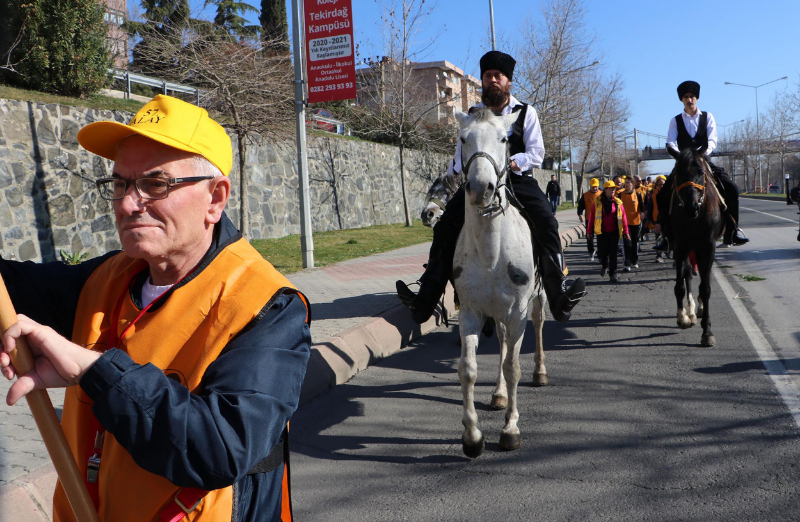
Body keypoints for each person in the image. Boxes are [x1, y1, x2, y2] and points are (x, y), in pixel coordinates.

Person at [0, 95, 311, 522]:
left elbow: (220, 450)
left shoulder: (268, 307)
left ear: (215, 199)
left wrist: (95, 371)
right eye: (120, 184)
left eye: (156, 184)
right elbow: (8, 289)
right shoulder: (105, 278)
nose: (128, 204)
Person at [395, 50, 586, 323]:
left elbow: (537, 153)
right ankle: (426, 298)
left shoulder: (526, 112)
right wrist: (443, 193)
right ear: (483, 81)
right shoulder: (471, 116)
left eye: (498, 76)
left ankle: (558, 295)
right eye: (488, 76)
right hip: (479, 181)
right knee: (446, 225)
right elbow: (459, 160)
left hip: (518, 181)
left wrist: (512, 162)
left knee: (546, 220)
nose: (493, 80)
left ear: (508, 81)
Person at [654, 80, 749, 251]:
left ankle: (733, 230)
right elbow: (670, 141)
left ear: (696, 99)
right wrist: (681, 155)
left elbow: (712, 139)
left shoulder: (708, 117)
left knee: (731, 188)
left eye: (691, 96)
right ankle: (666, 236)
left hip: (703, 161)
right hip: (683, 164)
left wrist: (700, 153)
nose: (689, 100)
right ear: (681, 100)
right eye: (686, 97)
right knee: (662, 194)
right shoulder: (675, 120)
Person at [587, 181, 630, 283]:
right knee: (602, 253)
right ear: (605, 189)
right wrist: (589, 231)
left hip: (614, 232)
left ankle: (613, 274)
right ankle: (604, 265)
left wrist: (626, 232)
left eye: (614, 189)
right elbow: (592, 217)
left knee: (613, 254)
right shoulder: (597, 202)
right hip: (601, 232)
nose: (613, 190)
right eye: (610, 188)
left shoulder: (618, 202)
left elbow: (623, 218)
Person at [618, 177, 645, 271]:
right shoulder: (620, 195)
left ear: (633, 184)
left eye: (628, 183)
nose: (626, 184)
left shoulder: (637, 194)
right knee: (627, 244)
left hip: (636, 222)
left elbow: (642, 206)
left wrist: (642, 213)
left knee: (634, 243)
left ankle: (634, 261)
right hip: (625, 223)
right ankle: (627, 264)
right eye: (625, 183)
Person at [577, 177, 601, 261]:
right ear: (590, 186)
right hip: (589, 219)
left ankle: (600, 253)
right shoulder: (586, 195)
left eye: (596, 186)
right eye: (593, 186)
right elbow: (580, 206)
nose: (595, 188)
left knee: (600, 237)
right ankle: (591, 252)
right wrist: (580, 214)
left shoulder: (602, 194)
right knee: (589, 237)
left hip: (600, 220)